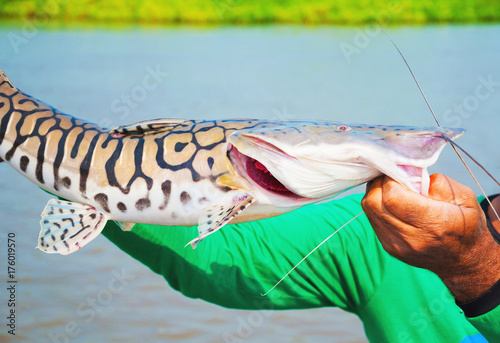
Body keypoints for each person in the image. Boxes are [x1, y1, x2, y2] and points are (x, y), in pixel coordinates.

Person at [101, 174, 500, 342]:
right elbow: (220, 252)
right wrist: (75, 169)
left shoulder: (451, 247)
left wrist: (475, 269)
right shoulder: (403, 230)